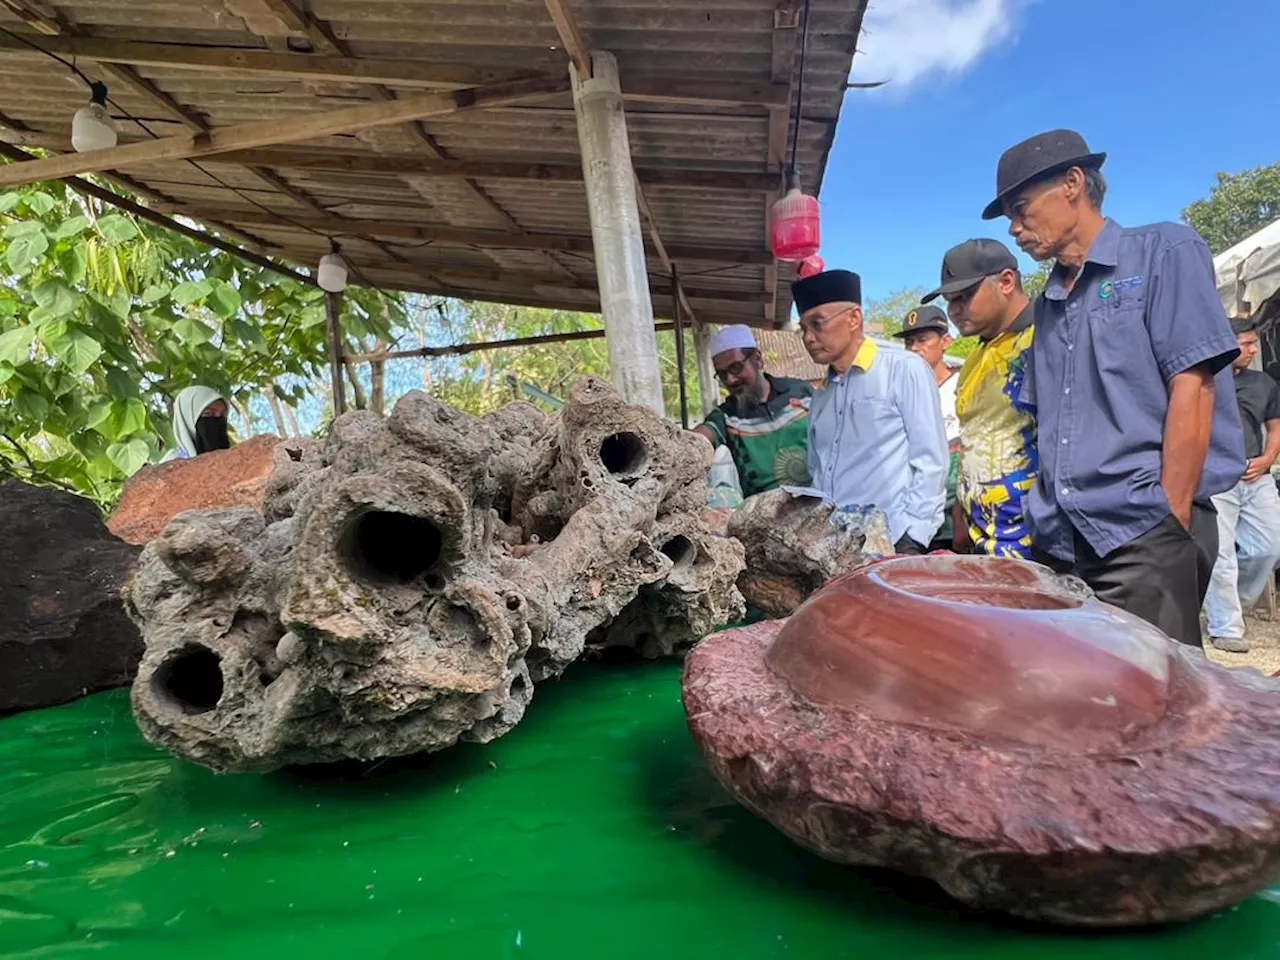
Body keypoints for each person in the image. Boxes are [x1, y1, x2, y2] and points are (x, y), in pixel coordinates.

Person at [985, 128, 1244, 646]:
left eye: (1020, 208)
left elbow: (1194, 387)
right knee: (1080, 701)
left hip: (1142, 531)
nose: (1014, 228)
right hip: (1061, 541)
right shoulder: (1049, 305)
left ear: (1072, 184)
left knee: (1156, 705)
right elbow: (1049, 425)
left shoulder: (1162, 252)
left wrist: (1169, 515)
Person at [794, 268, 947, 554]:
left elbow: (931, 460)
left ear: (854, 318)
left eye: (817, 324)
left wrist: (913, 536)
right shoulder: (821, 395)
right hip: (834, 548)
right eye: (803, 328)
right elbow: (818, 469)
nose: (809, 337)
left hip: (893, 540)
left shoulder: (903, 369)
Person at [923, 238, 1037, 559]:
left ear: (1005, 281)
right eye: (949, 300)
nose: (954, 309)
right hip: (982, 541)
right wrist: (960, 510)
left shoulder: (1045, 339)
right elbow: (972, 439)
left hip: (1036, 541)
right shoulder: (975, 357)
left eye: (965, 296)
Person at [1203, 316, 1280, 653]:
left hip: (1256, 476)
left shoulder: (1263, 383)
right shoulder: (1201, 379)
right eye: (1246, 343)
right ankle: (1226, 627)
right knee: (1221, 555)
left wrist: (1267, 459)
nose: (1252, 350)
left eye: (1254, 343)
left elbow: (1275, 427)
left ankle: (1231, 602)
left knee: (1268, 547)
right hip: (1216, 477)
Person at [692, 324, 814, 497]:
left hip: (820, 505)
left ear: (757, 359)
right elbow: (698, 438)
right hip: (764, 517)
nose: (731, 379)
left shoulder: (803, 393)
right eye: (722, 374)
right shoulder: (727, 417)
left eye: (736, 368)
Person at [892, 305, 960, 550]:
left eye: (922, 340)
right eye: (909, 342)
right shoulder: (899, 388)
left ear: (946, 341)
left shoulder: (962, 385)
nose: (914, 349)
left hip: (956, 518)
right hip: (911, 517)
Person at [163, 385, 232, 462]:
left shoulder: (233, 460)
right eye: (208, 413)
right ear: (188, 420)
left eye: (222, 415)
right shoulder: (170, 466)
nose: (218, 421)